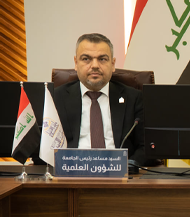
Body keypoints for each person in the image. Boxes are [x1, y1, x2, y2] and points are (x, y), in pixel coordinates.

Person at [53, 33, 145, 165]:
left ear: (112, 64)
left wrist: (127, 166)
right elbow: (44, 147)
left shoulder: (134, 98)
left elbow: (146, 147)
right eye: (86, 59)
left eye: (102, 59)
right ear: (76, 63)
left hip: (119, 172)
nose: (95, 65)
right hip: (72, 171)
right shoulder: (56, 98)